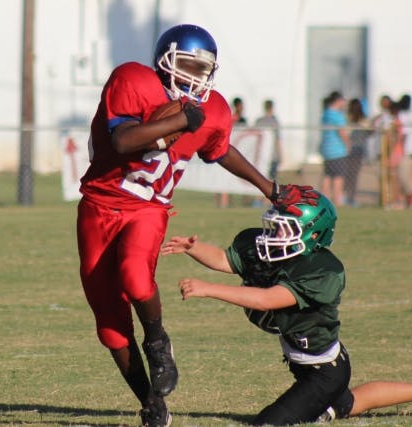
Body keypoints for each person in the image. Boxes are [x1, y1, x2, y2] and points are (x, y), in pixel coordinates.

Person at [76, 24, 319, 427]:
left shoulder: (214, 110)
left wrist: (270, 188)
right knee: (110, 324)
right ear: (165, 60)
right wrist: (178, 123)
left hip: (148, 208)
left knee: (135, 277)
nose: (195, 76)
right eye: (187, 65)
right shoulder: (133, 80)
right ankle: (151, 401)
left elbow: (220, 150)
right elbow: (123, 142)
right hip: (99, 207)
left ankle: (157, 339)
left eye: (202, 69)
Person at [161, 192, 412, 425]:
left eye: (284, 230)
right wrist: (193, 248)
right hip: (306, 360)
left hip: (324, 371)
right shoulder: (272, 250)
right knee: (348, 404)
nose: (272, 236)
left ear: (312, 234)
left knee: (268, 423)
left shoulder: (321, 272)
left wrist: (208, 289)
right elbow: (226, 259)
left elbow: (267, 299)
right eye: (274, 228)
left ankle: (325, 408)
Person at [319, 91, 349, 207]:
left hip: (326, 149)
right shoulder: (337, 115)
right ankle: (337, 200)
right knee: (338, 176)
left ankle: (324, 199)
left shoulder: (325, 114)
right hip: (337, 150)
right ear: (338, 101)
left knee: (327, 175)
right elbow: (342, 132)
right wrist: (348, 144)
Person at [344, 98, 371, 207]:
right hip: (357, 149)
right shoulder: (364, 120)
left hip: (350, 149)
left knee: (349, 174)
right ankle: (351, 197)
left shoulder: (348, 119)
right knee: (353, 175)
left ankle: (349, 197)